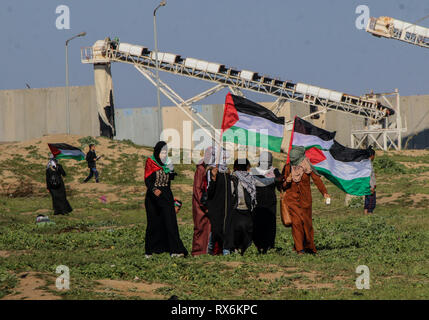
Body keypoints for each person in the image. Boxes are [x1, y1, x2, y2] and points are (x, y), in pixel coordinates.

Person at [280, 146, 330, 255]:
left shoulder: (308, 167)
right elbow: (282, 186)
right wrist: (287, 181)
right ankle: (299, 249)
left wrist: (324, 193)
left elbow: (317, 180)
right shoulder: (288, 167)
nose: (294, 163)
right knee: (296, 223)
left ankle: (309, 246)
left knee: (307, 224)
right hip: (292, 200)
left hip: (305, 201)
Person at [144, 141, 188, 258]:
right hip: (153, 198)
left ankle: (174, 250)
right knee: (153, 224)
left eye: (165, 152)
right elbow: (147, 180)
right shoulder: (150, 162)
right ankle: (150, 251)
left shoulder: (168, 162)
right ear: (157, 152)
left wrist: (171, 171)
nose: (163, 155)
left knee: (170, 223)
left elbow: (170, 179)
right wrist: (154, 189)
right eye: (162, 152)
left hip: (166, 196)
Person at [251, 152, 282, 254]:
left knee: (270, 224)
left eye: (267, 161)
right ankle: (259, 245)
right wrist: (275, 180)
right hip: (257, 202)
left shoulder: (275, 171)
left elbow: (280, 185)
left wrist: (281, 180)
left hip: (270, 202)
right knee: (258, 223)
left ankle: (269, 245)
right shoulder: (254, 171)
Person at [206, 147, 233, 256]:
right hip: (215, 204)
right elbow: (209, 191)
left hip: (226, 204)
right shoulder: (211, 170)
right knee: (216, 228)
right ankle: (210, 246)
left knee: (227, 226)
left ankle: (226, 250)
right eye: (223, 156)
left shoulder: (227, 172)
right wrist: (213, 177)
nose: (225, 159)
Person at [228, 159, 257, 255]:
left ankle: (243, 248)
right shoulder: (233, 178)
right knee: (237, 230)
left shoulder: (250, 178)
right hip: (237, 208)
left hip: (247, 209)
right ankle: (236, 248)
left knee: (247, 229)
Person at [191, 148, 212, 257]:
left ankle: (206, 250)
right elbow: (197, 189)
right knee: (200, 227)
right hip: (200, 203)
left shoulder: (210, 168)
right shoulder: (201, 169)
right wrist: (203, 204)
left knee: (208, 227)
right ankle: (197, 252)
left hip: (207, 202)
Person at [364, 149, 376, 215]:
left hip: (366, 185)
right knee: (371, 202)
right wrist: (372, 187)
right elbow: (369, 176)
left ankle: (365, 215)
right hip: (370, 186)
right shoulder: (369, 165)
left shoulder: (365, 163)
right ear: (372, 156)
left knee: (367, 201)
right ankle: (369, 216)